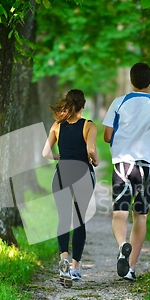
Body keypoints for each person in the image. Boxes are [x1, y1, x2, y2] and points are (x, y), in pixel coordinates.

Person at [102, 62, 150, 281]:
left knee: (119, 213)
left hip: (123, 165)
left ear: (131, 80)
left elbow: (106, 135)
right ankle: (130, 269)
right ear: (149, 81)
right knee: (141, 216)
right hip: (148, 166)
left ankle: (123, 246)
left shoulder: (118, 103)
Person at [42, 89, 99, 288]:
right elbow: (91, 150)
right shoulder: (89, 126)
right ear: (82, 106)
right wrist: (96, 160)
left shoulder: (57, 125)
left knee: (64, 218)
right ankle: (75, 268)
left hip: (62, 173)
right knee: (79, 220)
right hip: (82, 172)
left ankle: (63, 260)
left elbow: (45, 152)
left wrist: (59, 157)